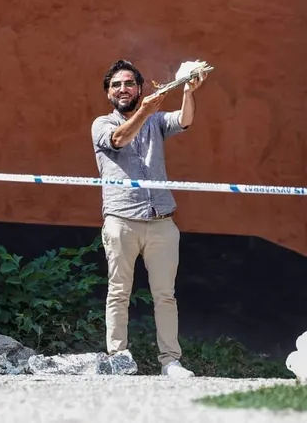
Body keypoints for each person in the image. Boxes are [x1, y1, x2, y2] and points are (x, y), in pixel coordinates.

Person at [90, 59, 206, 378]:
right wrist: (146, 110)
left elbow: (184, 119)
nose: (123, 89)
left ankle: (170, 361)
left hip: (161, 221)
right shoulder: (101, 124)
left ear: (140, 88)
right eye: (116, 85)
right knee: (118, 292)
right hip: (121, 220)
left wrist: (188, 90)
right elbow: (119, 140)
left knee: (165, 295)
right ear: (108, 93)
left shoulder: (156, 121)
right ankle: (119, 358)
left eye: (129, 83)